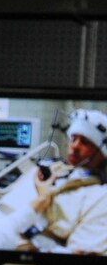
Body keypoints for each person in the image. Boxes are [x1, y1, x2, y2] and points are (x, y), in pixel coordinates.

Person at [32, 108, 107, 253]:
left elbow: (79, 252)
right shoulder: (59, 170)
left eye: (85, 142)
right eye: (73, 139)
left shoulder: (101, 196)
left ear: (102, 153)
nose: (75, 146)